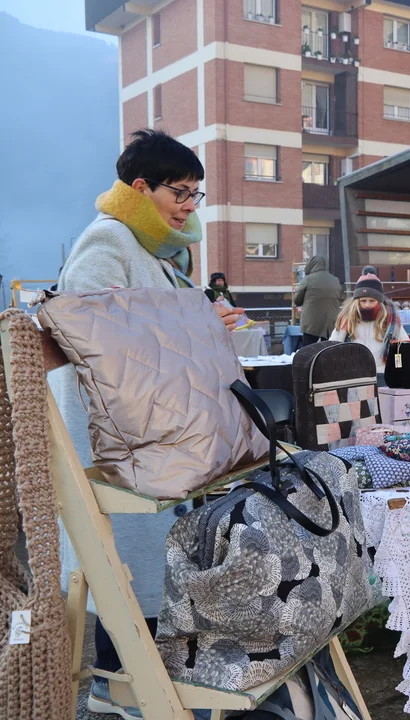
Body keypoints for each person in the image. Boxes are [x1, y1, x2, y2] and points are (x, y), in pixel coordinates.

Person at [51, 128, 243, 720]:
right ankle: (124, 686)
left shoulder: (153, 249)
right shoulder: (109, 238)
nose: (188, 205)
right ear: (141, 187)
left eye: (195, 193)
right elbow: (97, 329)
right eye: (179, 192)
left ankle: (133, 681)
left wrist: (206, 320)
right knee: (132, 557)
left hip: (143, 430)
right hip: (116, 438)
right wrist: (196, 321)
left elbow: (151, 328)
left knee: (147, 553)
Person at [329, 274, 407, 378]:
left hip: (383, 375)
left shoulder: (391, 320)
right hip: (354, 375)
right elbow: (332, 346)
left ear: (379, 301)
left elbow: (405, 346)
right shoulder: (347, 319)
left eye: (372, 301)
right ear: (357, 301)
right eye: (363, 301)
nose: (367, 305)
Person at [293, 255, 345, 346]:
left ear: (311, 265)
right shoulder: (335, 280)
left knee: (309, 349)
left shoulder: (308, 279)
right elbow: (341, 299)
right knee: (329, 349)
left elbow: (297, 300)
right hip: (331, 322)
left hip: (311, 322)